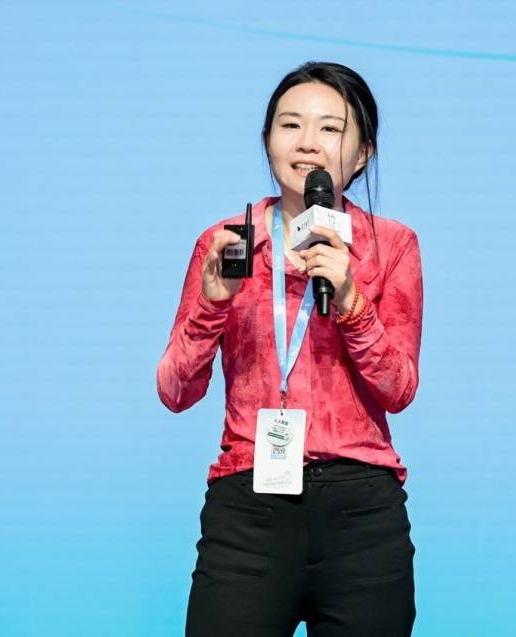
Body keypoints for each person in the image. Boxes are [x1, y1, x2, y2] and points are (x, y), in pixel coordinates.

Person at [156, 61, 423, 637]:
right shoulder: (229, 242)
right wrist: (211, 306)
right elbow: (175, 391)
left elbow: (399, 389)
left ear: (363, 153)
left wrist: (351, 301)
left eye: (330, 128)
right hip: (248, 510)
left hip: (361, 515)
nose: (307, 143)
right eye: (290, 124)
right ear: (267, 140)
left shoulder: (391, 246)